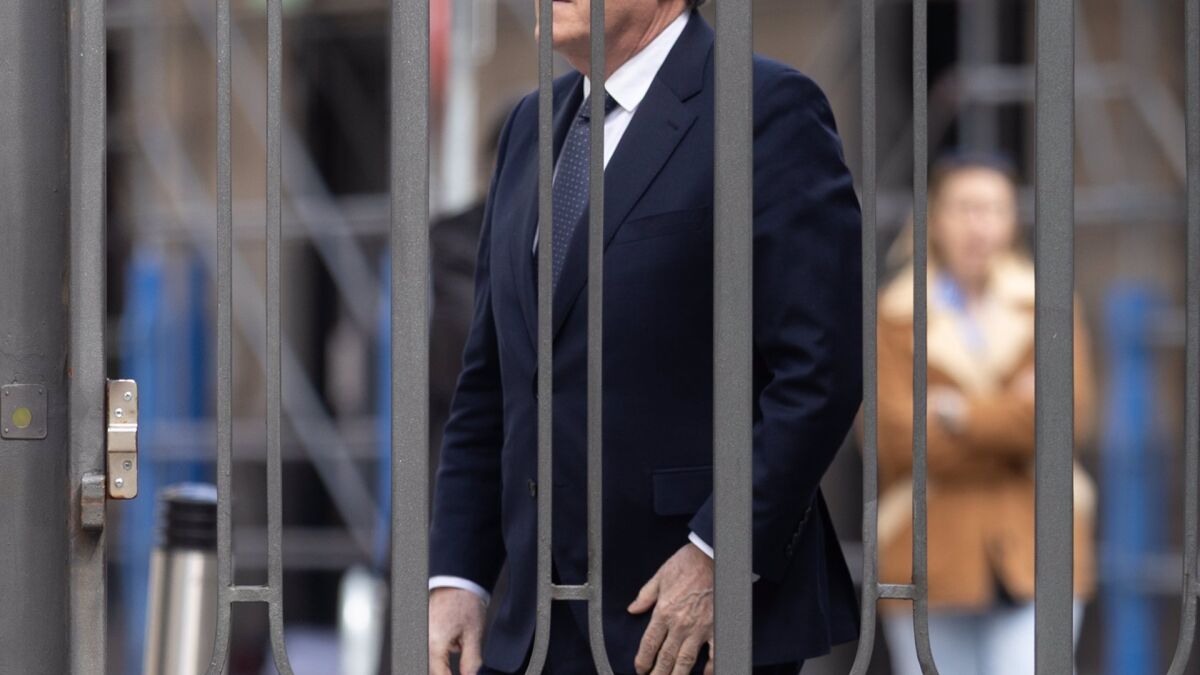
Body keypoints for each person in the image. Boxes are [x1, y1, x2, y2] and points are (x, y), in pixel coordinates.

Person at [428, 0, 863, 672]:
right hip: (536, 626)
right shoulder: (527, 125)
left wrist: (720, 552)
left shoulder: (764, 108)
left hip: (688, 623)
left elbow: (819, 371)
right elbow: (494, 378)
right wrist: (459, 573)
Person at [874, 153, 1096, 675]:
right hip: (928, 549)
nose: (979, 224)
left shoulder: (1047, 304)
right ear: (934, 217)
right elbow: (894, 438)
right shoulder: (894, 313)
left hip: (1037, 544)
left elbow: (1067, 422)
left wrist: (955, 413)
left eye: (994, 208)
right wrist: (1012, 414)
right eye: (964, 207)